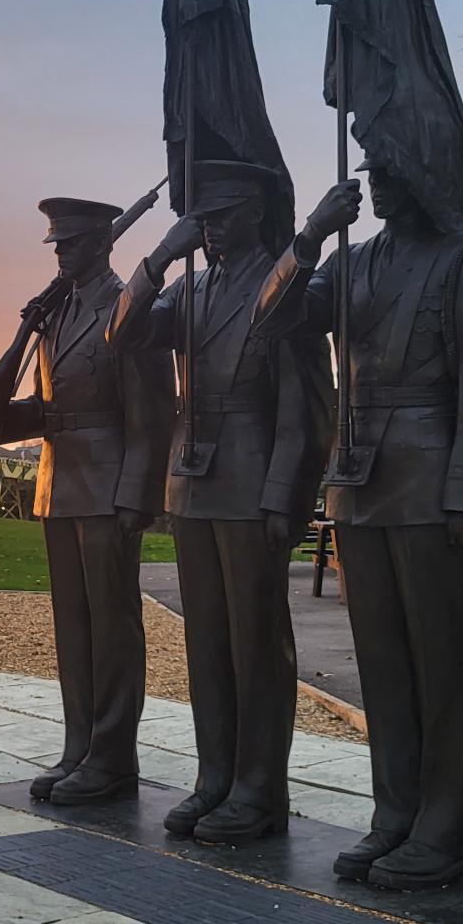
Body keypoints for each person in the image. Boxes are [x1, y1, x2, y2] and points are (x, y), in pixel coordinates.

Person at [256, 163, 463, 888]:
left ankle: (448, 828)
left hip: (433, 477)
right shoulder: (353, 258)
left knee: (443, 665)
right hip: (360, 480)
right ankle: (395, 816)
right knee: (383, 664)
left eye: (392, 163)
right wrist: (310, 234)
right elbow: (272, 321)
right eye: (368, 165)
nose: (375, 180)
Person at [109, 159, 332, 842]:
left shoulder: (288, 286)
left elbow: (305, 407)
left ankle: (259, 789)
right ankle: (215, 779)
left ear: (256, 215)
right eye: (201, 217)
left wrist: (282, 498)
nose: (208, 226)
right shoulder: (193, 289)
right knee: (207, 643)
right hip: (194, 483)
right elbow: (122, 332)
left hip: (252, 479)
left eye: (221, 214)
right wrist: (160, 255)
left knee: (256, 645)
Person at [0, 197, 175, 805]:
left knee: (112, 629)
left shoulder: (129, 308)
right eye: (56, 246)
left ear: (103, 245)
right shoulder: (56, 313)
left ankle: (112, 758)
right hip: (60, 485)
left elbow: (154, 412)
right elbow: (57, 406)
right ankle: (78, 747)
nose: (61, 255)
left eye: (72, 244)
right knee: (74, 630)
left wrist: (138, 496)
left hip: (109, 488)